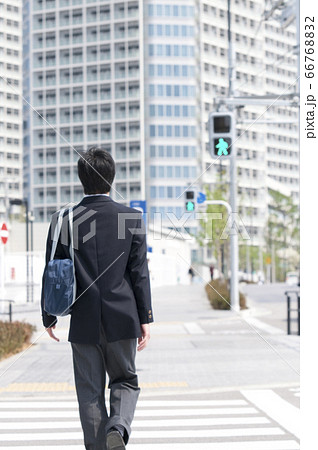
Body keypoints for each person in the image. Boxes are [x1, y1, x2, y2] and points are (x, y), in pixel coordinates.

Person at [41, 147, 153, 450]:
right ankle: (118, 427)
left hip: (84, 321)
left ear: (81, 179)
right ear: (111, 178)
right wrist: (146, 318)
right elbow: (139, 273)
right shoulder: (130, 217)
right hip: (123, 316)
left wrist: (48, 315)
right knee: (126, 380)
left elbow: (53, 268)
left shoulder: (64, 219)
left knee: (89, 392)